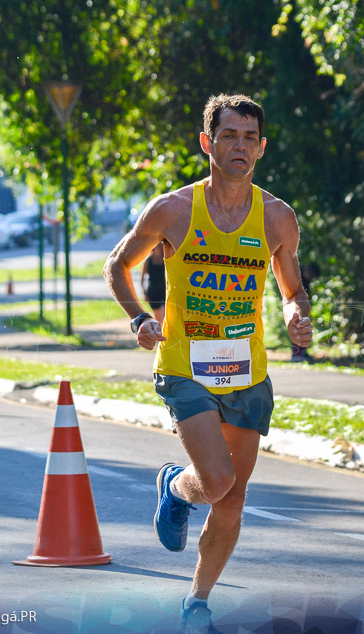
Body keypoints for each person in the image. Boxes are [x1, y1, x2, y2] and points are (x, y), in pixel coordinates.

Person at [103, 93, 313, 633]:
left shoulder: (276, 217)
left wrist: (295, 315)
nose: (239, 147)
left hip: (247, 372)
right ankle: (176, 485)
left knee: (232, 501)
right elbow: (117, 265)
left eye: (249, 138)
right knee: (215, 481)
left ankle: (197, 602)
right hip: (184, 365)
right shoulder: (173, 210)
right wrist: (138, 320)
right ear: (207, 142)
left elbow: (293, 288)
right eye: (228, 136)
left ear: (262, 148)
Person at [290, 261, 320, 362]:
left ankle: (303, 352)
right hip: (296, 305)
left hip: (304, 305)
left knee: (305, 328)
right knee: (298, 326)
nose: (310, 277)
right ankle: (297, 353)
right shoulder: (298, 275)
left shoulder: (307, 280)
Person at [140, 242, 166, 324]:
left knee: (163, 315)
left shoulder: (166, 259)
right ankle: (160, 334)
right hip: (152, 292)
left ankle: (164, 335)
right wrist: (144, 293)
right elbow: (142, 278)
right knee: (158, 317)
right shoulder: (148, 261)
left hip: (164, 291)